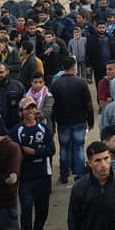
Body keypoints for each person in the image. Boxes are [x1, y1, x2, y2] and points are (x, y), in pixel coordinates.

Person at [12, 97, 55, 230]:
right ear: (21, 112)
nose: (30, 111)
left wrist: (34, 152)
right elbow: (17, 152)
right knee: (26, 208)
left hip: (44, 174)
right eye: (27, 108)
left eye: (32, 108)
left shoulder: (44, 128)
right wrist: (37, 152)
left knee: (43, 208)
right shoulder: (17, 131)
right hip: (26, 176)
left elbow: (51, 150)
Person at [49, 56, 94, 184]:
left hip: (63, 121)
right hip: (79, 121)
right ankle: (79, 176)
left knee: (64, 149)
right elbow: (89, 104)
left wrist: (53, 123)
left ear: (62, 67)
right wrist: (90, 121)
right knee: (79, 148)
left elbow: (52, 106)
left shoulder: (55, 84)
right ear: (74, 67)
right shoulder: (81, 83)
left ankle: (64, 175)